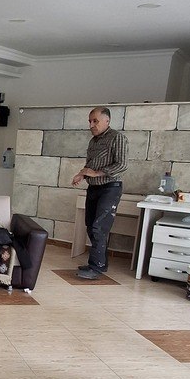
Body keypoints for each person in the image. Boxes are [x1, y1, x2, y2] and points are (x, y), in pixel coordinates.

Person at [71, 106, 128, 279]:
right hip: (93, 188)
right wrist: (82, 174)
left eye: (95, 121)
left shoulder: (117, 138)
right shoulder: (93, 141)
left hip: (110, 188)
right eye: (90, 121)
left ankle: (95, 268)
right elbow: (90, 165)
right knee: (90, 225)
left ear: (107, 120)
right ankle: (101, 263)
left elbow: (122, 165)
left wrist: (96, 173)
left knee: (99, 227)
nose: (91, 125)